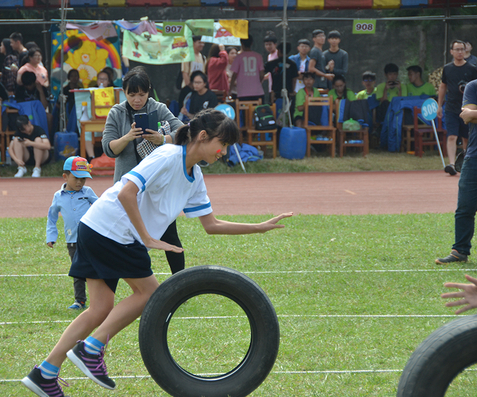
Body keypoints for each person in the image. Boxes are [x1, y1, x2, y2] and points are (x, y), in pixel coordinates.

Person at [21, 108, 293, 397]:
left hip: (98, 228)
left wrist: (259, 227)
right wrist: (148, 237)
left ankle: (45, 373)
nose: (223, 152)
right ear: (203, 137)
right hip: (112, 231)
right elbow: (126, 192)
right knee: (151, 293)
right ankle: (92, 347)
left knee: (100, 308)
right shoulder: (167, 156)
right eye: (222, 144)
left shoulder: (195, 175)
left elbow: (211, 225)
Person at [102, 67, 185, 274]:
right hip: (127, 186)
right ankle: (139, 285)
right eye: (132, 94)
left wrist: (162, 139)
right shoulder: (116, 112)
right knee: (127, 238)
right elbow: (108, 149)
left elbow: (184, 132)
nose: (137, 99)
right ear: (124, 92)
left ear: (149, 91)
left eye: (142, 94)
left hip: (158, 186)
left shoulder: (159, 108)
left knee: (170, 236)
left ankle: (180, 283)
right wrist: (128, 136)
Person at [435, 40, 477, 267]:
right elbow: (466, 115)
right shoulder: (473, 85)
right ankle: (459, 250)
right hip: (474, 154)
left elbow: (473, 114)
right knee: (465, 206)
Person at [47, 156, 99, 310]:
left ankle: (98, 300)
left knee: (94, 269)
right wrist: (51, 236)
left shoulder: (88, 192)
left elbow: (101, 207)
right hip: (72, 241)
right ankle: (80, 301)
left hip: (90, 238)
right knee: (78, 272)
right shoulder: (58, 197)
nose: (80, 183)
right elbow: (52, 217)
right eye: (76, 178)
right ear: (65, 176)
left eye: (83, 179)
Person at [438, 39, 477, 176]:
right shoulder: (447, 68)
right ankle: (451, 164)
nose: (460, 52)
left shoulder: (472, 69)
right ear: (451, 52)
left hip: (467, 108)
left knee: (466, 137)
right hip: (451, 107)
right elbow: (443, 86)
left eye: (462, 49)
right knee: (452, 136)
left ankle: (466, 162)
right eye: (457, 49)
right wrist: (439, 105)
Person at [230, 35, 264, 102]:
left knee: (244, 111)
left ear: (241, 43)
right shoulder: (258, 56)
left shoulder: (238, 57)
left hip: (242, 92)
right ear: (252, 43)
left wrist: (230, 89)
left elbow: (234, 75)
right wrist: (256, 83)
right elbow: (262, 75)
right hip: (258, 92)